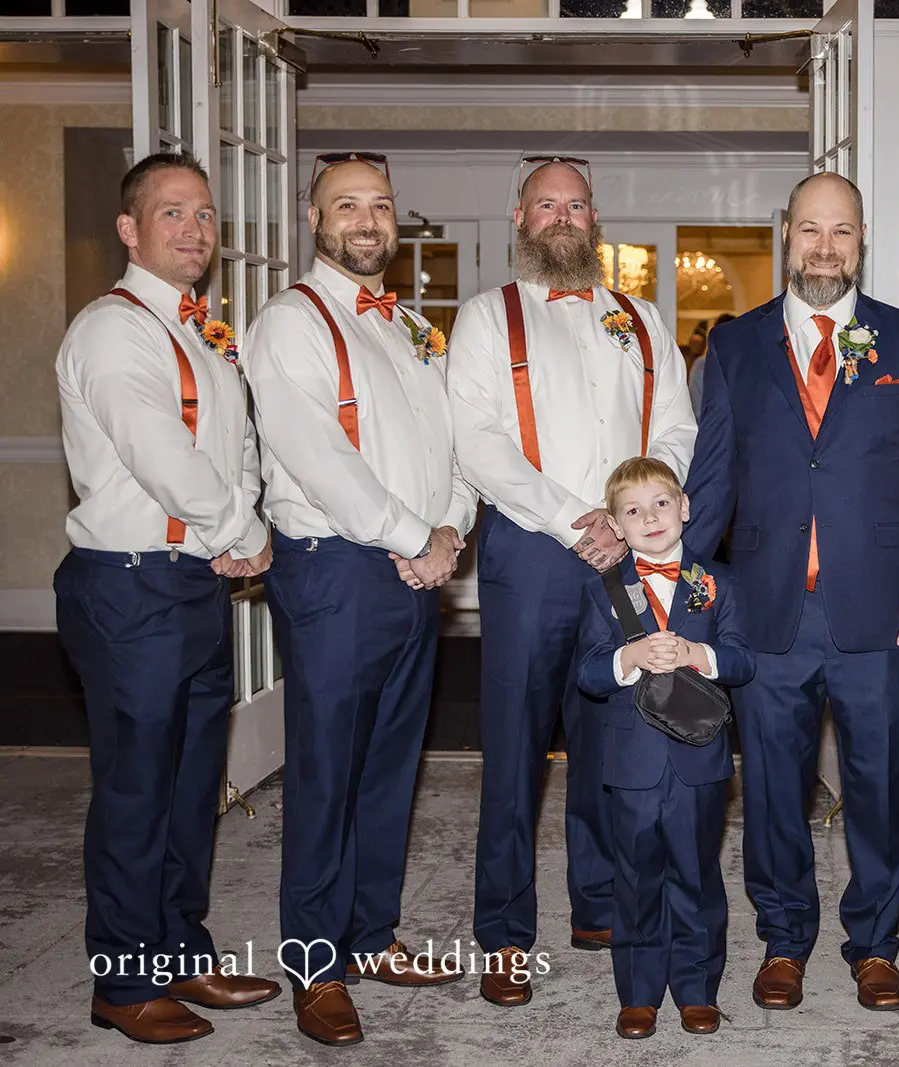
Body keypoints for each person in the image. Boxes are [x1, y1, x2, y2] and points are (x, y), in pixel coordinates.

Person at [683, 171, 899, 1012]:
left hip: (882, 611)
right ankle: (784, 939)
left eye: (842, 231)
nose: (825, 247)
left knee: (879, 785)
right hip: (768, 609)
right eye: (811, 229)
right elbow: (713, 477)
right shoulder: (736, 345)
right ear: (786, 234)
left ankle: (874, 944)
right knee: (773, 789)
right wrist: (678, 591)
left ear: (862, 239)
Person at [448, 157, 696, 1005]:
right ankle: (504, 934)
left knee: (612, 740)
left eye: (576, 204)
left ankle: (599, 902)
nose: (562, 216)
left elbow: (677, 427)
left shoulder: (642, 318)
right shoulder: (486, 318)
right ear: (519, 218)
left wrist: (633, 514)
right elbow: (478, 441)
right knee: (515, 750)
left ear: (595, 220)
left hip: (627, 556)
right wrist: (573, 517)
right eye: (546, 204)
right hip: (531, 554)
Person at [244, 153, 476, 1046]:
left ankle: (371, 936)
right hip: (336, 568)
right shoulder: (288, 323)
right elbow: (320, 459)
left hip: (417, 568)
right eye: (347, 205)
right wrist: (415, 537)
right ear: (315, 219)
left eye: (379, 204)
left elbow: (452, 447)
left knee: (389, 766)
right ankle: (314, 965)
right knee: (326, 773)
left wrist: (449, 530)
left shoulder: (412, 326)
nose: (368, 220)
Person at [53, 152, 279, 1044]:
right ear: (129, 228)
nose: (195, 229)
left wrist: (238, 522)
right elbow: (160, 452)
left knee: (191, 790)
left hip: (191, 583)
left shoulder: (203, 332)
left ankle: (180, 951)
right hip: (129, 587)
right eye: (173, 212)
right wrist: (240, 528)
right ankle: (121, 980)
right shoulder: (112, 330)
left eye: (205, 214)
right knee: (136, 792)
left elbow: (237, 447)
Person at [573, 457, 755, 1040]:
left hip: (698, 756)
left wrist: (698, 656)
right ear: (614, 525)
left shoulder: (716, 581)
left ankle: (698, 989)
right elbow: (587, 673)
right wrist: (629, 658)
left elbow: (743, 660)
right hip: (632, 761)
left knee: (696, 874)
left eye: (660, 503)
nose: (649, 518)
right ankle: (638, 993)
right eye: (633, 510)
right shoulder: (604, 589)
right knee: (635, 877)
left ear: (685, 507)